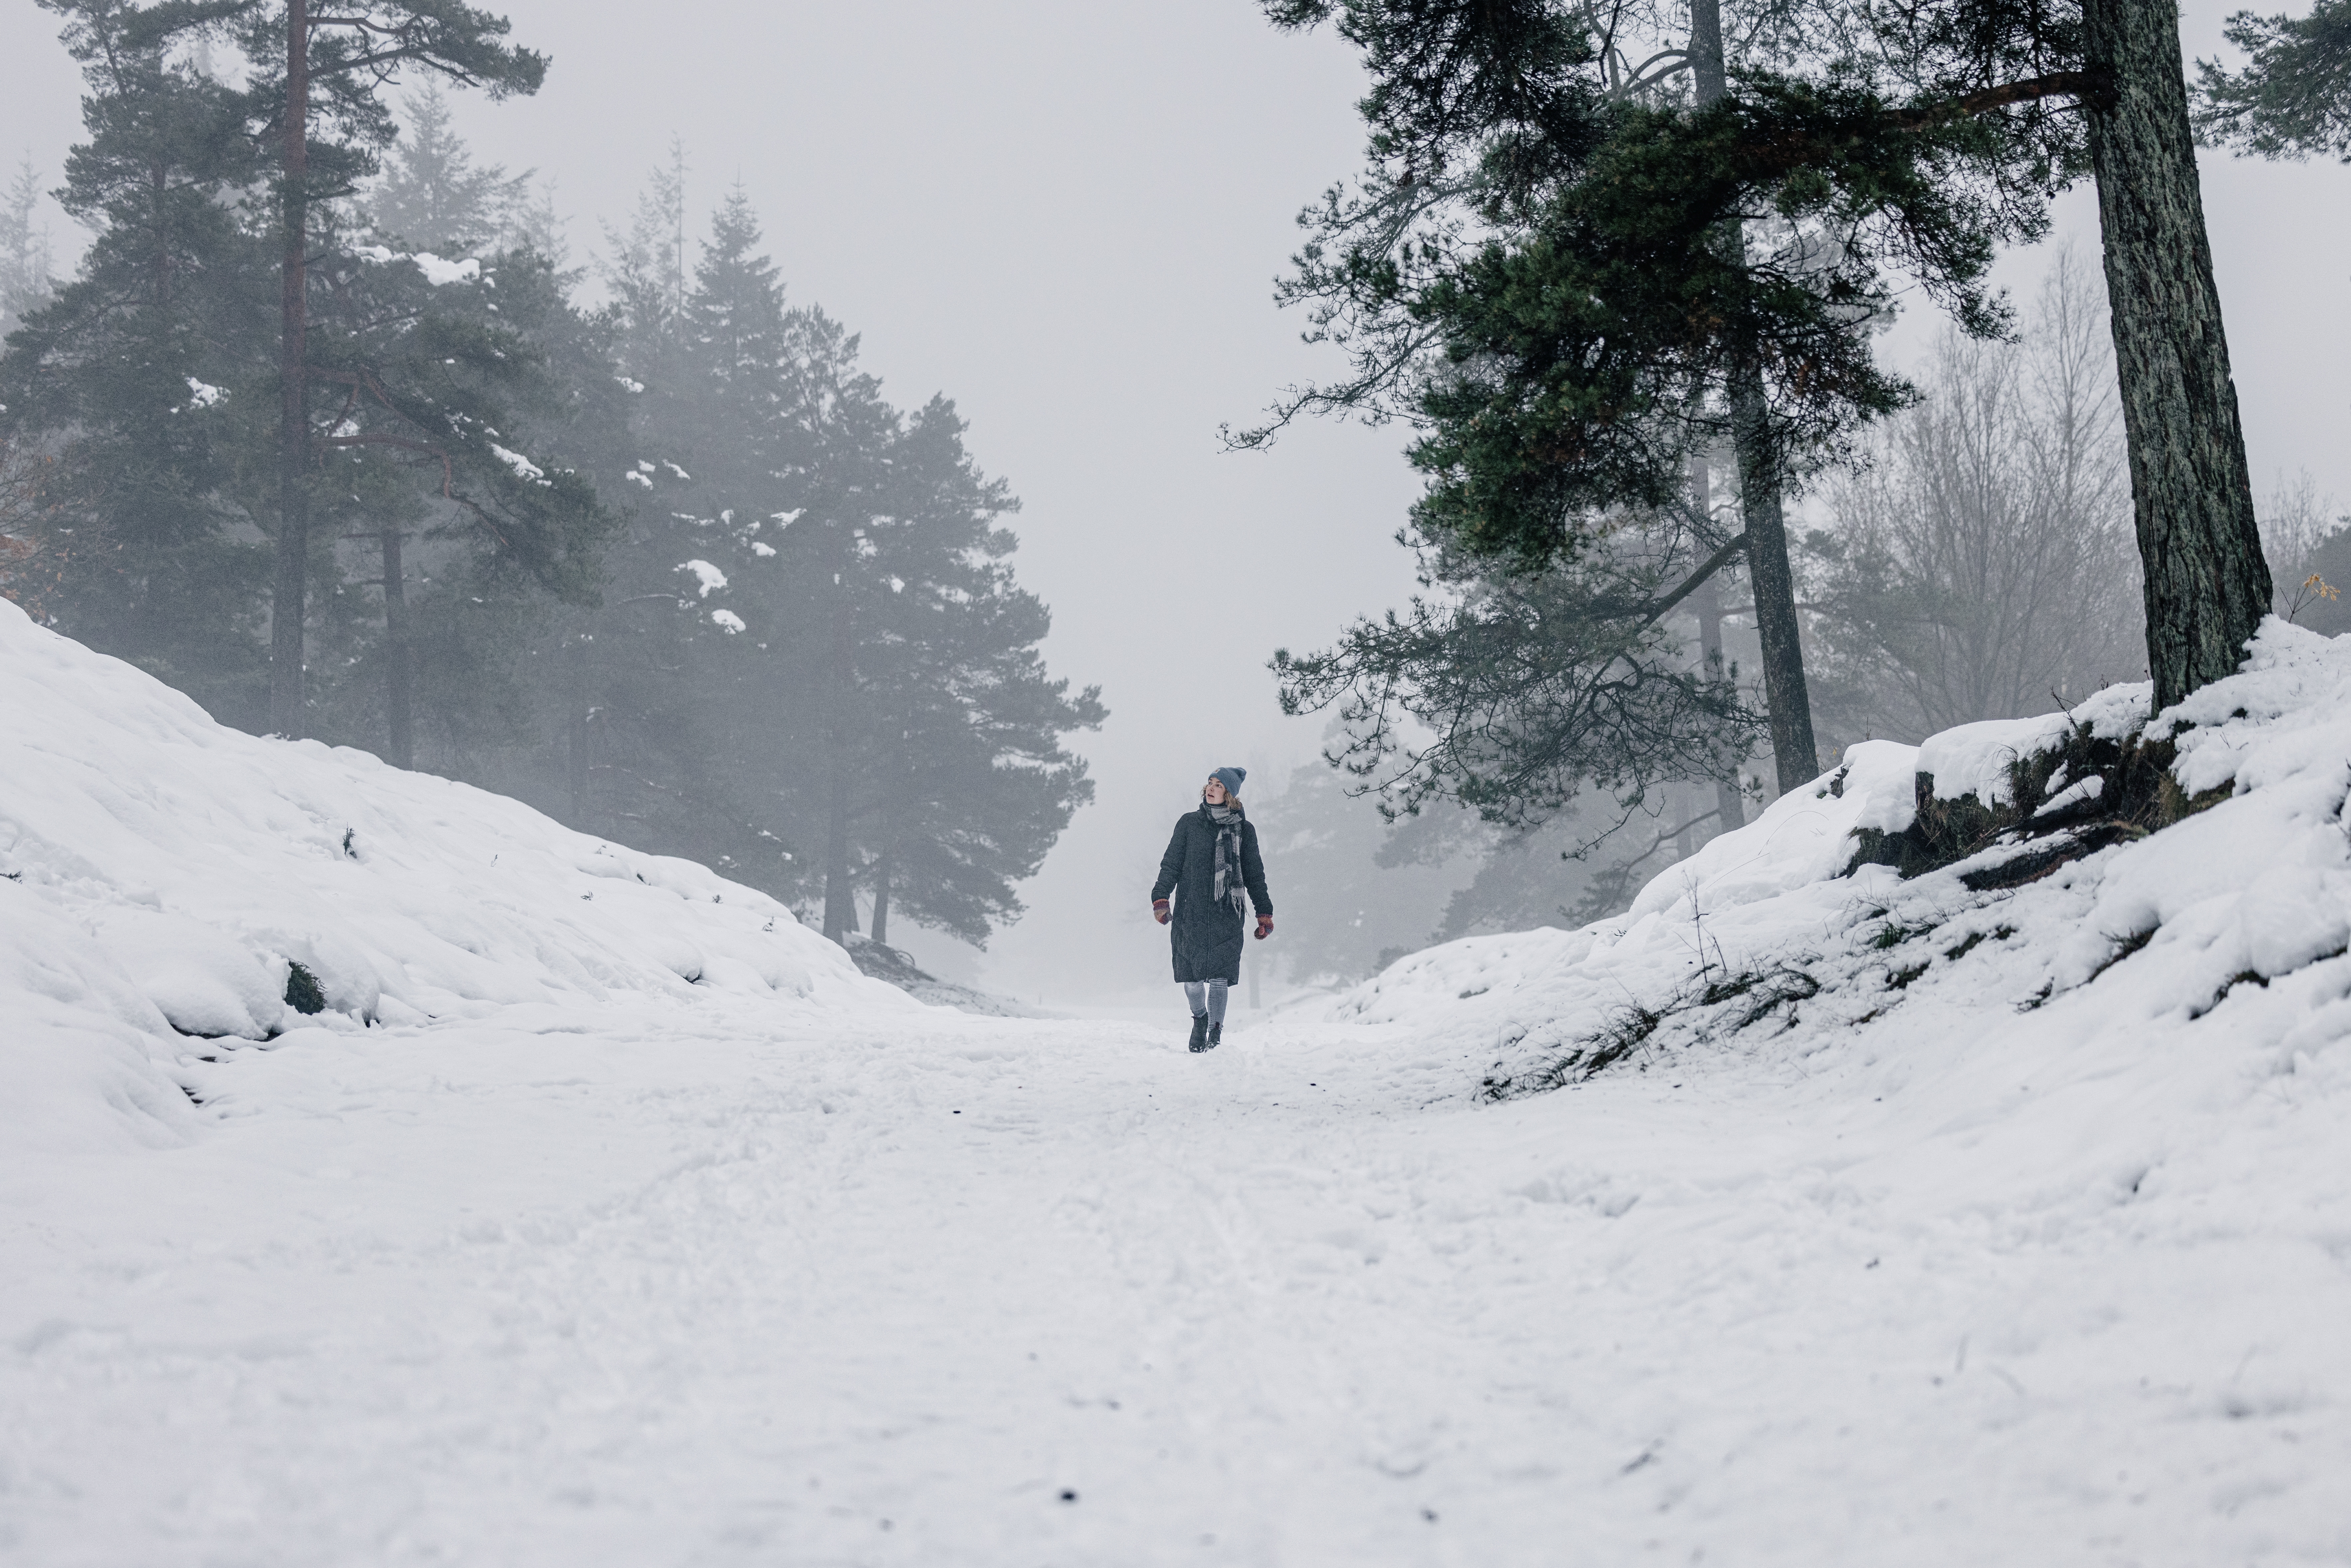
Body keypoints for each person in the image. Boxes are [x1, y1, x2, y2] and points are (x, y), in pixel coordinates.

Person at [1151, 766, 1273, 1053]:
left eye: (1218, 785)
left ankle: (1215, 1032)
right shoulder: (1189, 824)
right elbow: (1171, 864)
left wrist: (1263, 913)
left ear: (1229, 794)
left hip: (1227, 912)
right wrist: (1161, 898)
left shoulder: (1244, 830)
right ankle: (1200, 1019)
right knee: (1192, 978)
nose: (1211, 788)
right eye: (1210, 782)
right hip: (1190, 911)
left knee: (1219, 977)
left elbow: (1254, 874)